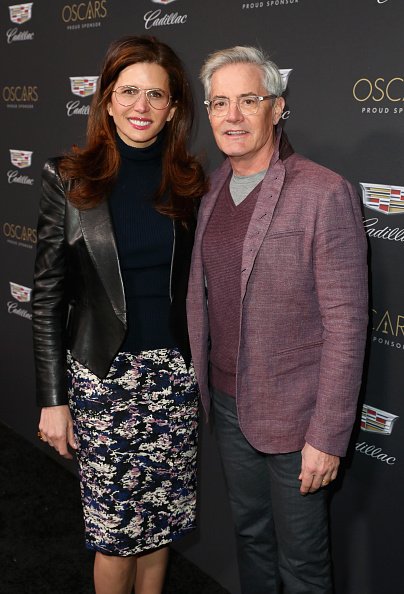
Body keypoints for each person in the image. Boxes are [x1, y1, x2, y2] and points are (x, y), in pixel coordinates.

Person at [186, 46, 368, 594]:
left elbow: (346, 321)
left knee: (303, 564)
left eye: (249, 100)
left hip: (297, 418)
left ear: (277, 107)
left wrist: (328, 436)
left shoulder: (322, 191)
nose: (232, 115)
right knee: (251, 538)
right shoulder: (212, 188)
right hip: (226, 402)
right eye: (220, 103)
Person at [32, 35, 207, 594]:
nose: (141, 105)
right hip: (103, 381)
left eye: (156, 95)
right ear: (106, 99)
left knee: (159, 530)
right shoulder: (67, 177)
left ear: (173, 108)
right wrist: (52, 399)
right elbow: (48, 296)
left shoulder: (190, 183)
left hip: (174, 379)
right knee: (113, 537)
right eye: (129, 90)